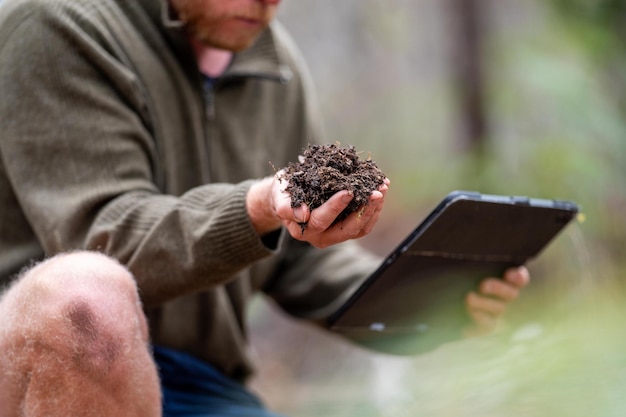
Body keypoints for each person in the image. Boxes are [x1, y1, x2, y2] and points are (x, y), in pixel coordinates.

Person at [0, 0, 530, 415]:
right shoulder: (55, 24)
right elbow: (104, 240)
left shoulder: (270, 61)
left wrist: (427, 303)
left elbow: (303, 261)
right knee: (82, 290)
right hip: (44, 372)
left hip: (200, 385)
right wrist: (255, 206)